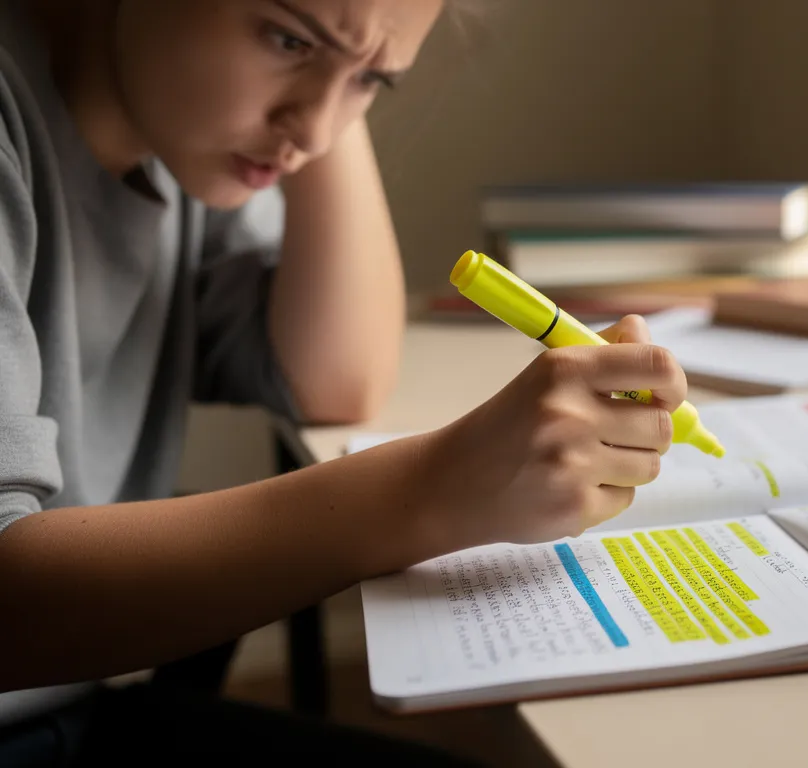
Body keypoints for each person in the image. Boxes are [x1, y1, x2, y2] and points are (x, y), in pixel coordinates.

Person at [0, 0, 683, 763]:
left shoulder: (172, 140)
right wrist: (431, 489)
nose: (316, 131)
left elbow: (334, 378)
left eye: (374, 83)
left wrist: (347, 49)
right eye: (288, 38)